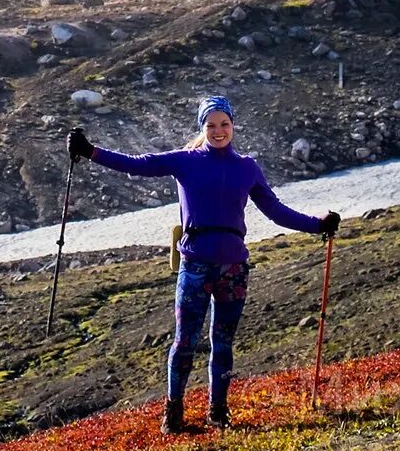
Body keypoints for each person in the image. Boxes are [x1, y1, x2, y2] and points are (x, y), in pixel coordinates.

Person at [68, 96, 337, 432]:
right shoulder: (185, 161)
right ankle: (174, 411)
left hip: (234, 269)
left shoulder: (248, 168)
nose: (218, 131)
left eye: (224, 124)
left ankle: (218, 411)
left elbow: (275, 210)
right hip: (195, 265)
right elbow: (139, 164)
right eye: (211, 125)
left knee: (222, 341)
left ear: (233, 126)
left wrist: (317, 224)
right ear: (202, 127)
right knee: (185, 341)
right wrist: (90, 151)